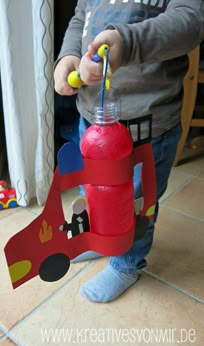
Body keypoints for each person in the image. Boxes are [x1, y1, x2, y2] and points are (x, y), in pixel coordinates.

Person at [54, 0, 204, 303]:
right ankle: (104, 238)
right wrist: (68, 56)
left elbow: (190, 22)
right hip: (91, 120)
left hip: (145, 129)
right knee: (96, 192)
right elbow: (79, 18)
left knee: (135, 204)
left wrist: (127, 42)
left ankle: (127, 263)